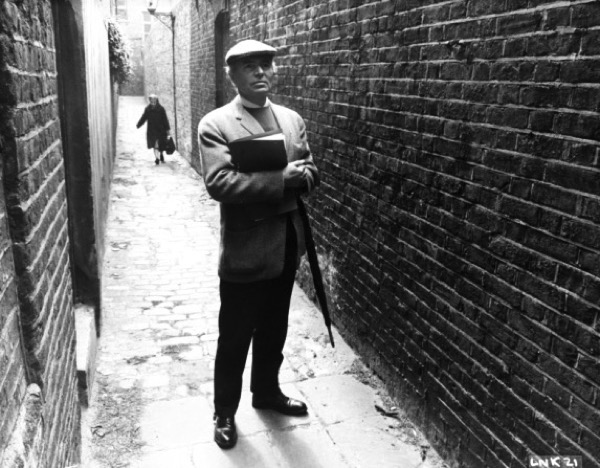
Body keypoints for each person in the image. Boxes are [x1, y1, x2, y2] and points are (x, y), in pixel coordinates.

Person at [198, 39, 319, 450]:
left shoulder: (291, 119)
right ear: (232, 74)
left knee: (274, 327)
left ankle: (266, 391)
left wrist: (305, 176)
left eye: (266, 64)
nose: (261, 72)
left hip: (286, 243)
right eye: (249, 66)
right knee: (234, 336)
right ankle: (224, 412)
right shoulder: (217, 124)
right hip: (246, 249)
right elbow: (220, 183)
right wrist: (281, 180)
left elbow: (310, 169)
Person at [136, 94, 171, 165]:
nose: (153, 102)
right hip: (152, 130)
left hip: (161, 130)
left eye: (154, 100)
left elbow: (165, 120)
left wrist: (167, 130)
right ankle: (157, 158)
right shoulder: (148, 109)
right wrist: (139, 124)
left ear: (156, 100)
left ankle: (161, 154)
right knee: (155, 145)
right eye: (151, 100)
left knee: (161, 144)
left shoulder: (161, 109)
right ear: (150, 100)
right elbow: (144, 117)